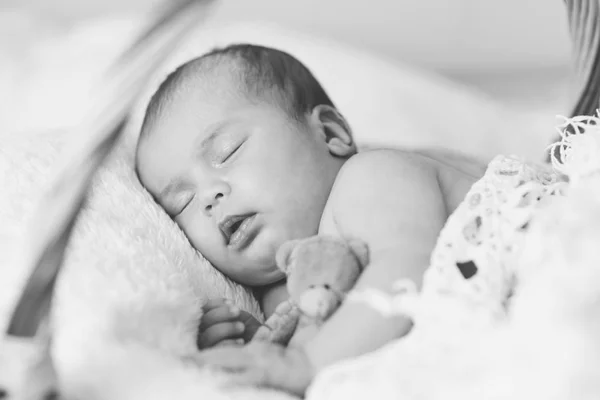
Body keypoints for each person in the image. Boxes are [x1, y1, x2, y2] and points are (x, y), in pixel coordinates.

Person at [134, 43, 486, 394]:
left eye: (227, 152)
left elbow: (407, 268)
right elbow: (362, 342)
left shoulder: (372, 176)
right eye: (183, 203)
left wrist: (307, 363)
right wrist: (262, 346)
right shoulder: (285, 291)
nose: (209, 197)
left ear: (330, 133)